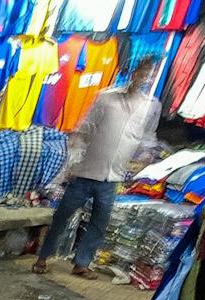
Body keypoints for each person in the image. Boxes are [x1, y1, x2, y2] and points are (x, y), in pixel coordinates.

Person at [34, 58, 162, 277]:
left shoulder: (151, 106)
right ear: (133, 73)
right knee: (62, 217)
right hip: (85, 172)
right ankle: (43, 258)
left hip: (112, 177)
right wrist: (71, 164)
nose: (145, 79)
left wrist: (146, 159)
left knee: (99, 224)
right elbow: (84, 130)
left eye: (150, 75)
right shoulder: (107, 98)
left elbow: (147, 138)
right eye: (142, 73)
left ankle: (82, 264)